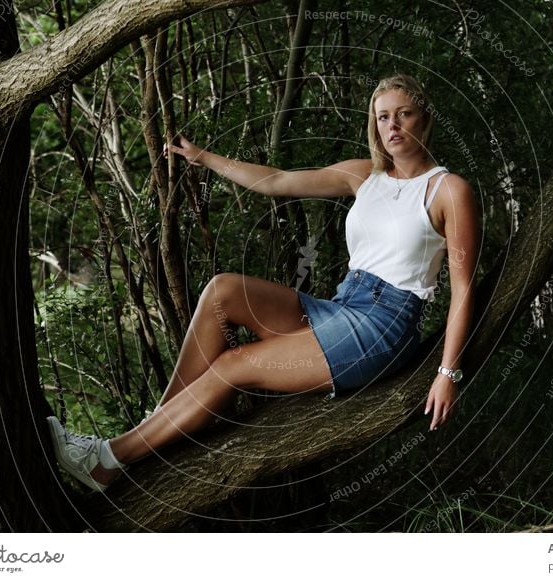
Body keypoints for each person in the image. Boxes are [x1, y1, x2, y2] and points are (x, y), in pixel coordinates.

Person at [46, 73, 480, 492]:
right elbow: (278, 181)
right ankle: (157, 434)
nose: (392, 126)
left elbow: (462, 288)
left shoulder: (447, 190)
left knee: (233, 365)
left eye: (403, 114)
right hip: (343, 306)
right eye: (383, 117)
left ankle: (105, 460)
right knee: (222, 290)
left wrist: (447, 372)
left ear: (423, 118)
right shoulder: (365, 175)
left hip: (382, 325)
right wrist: (203, 157)